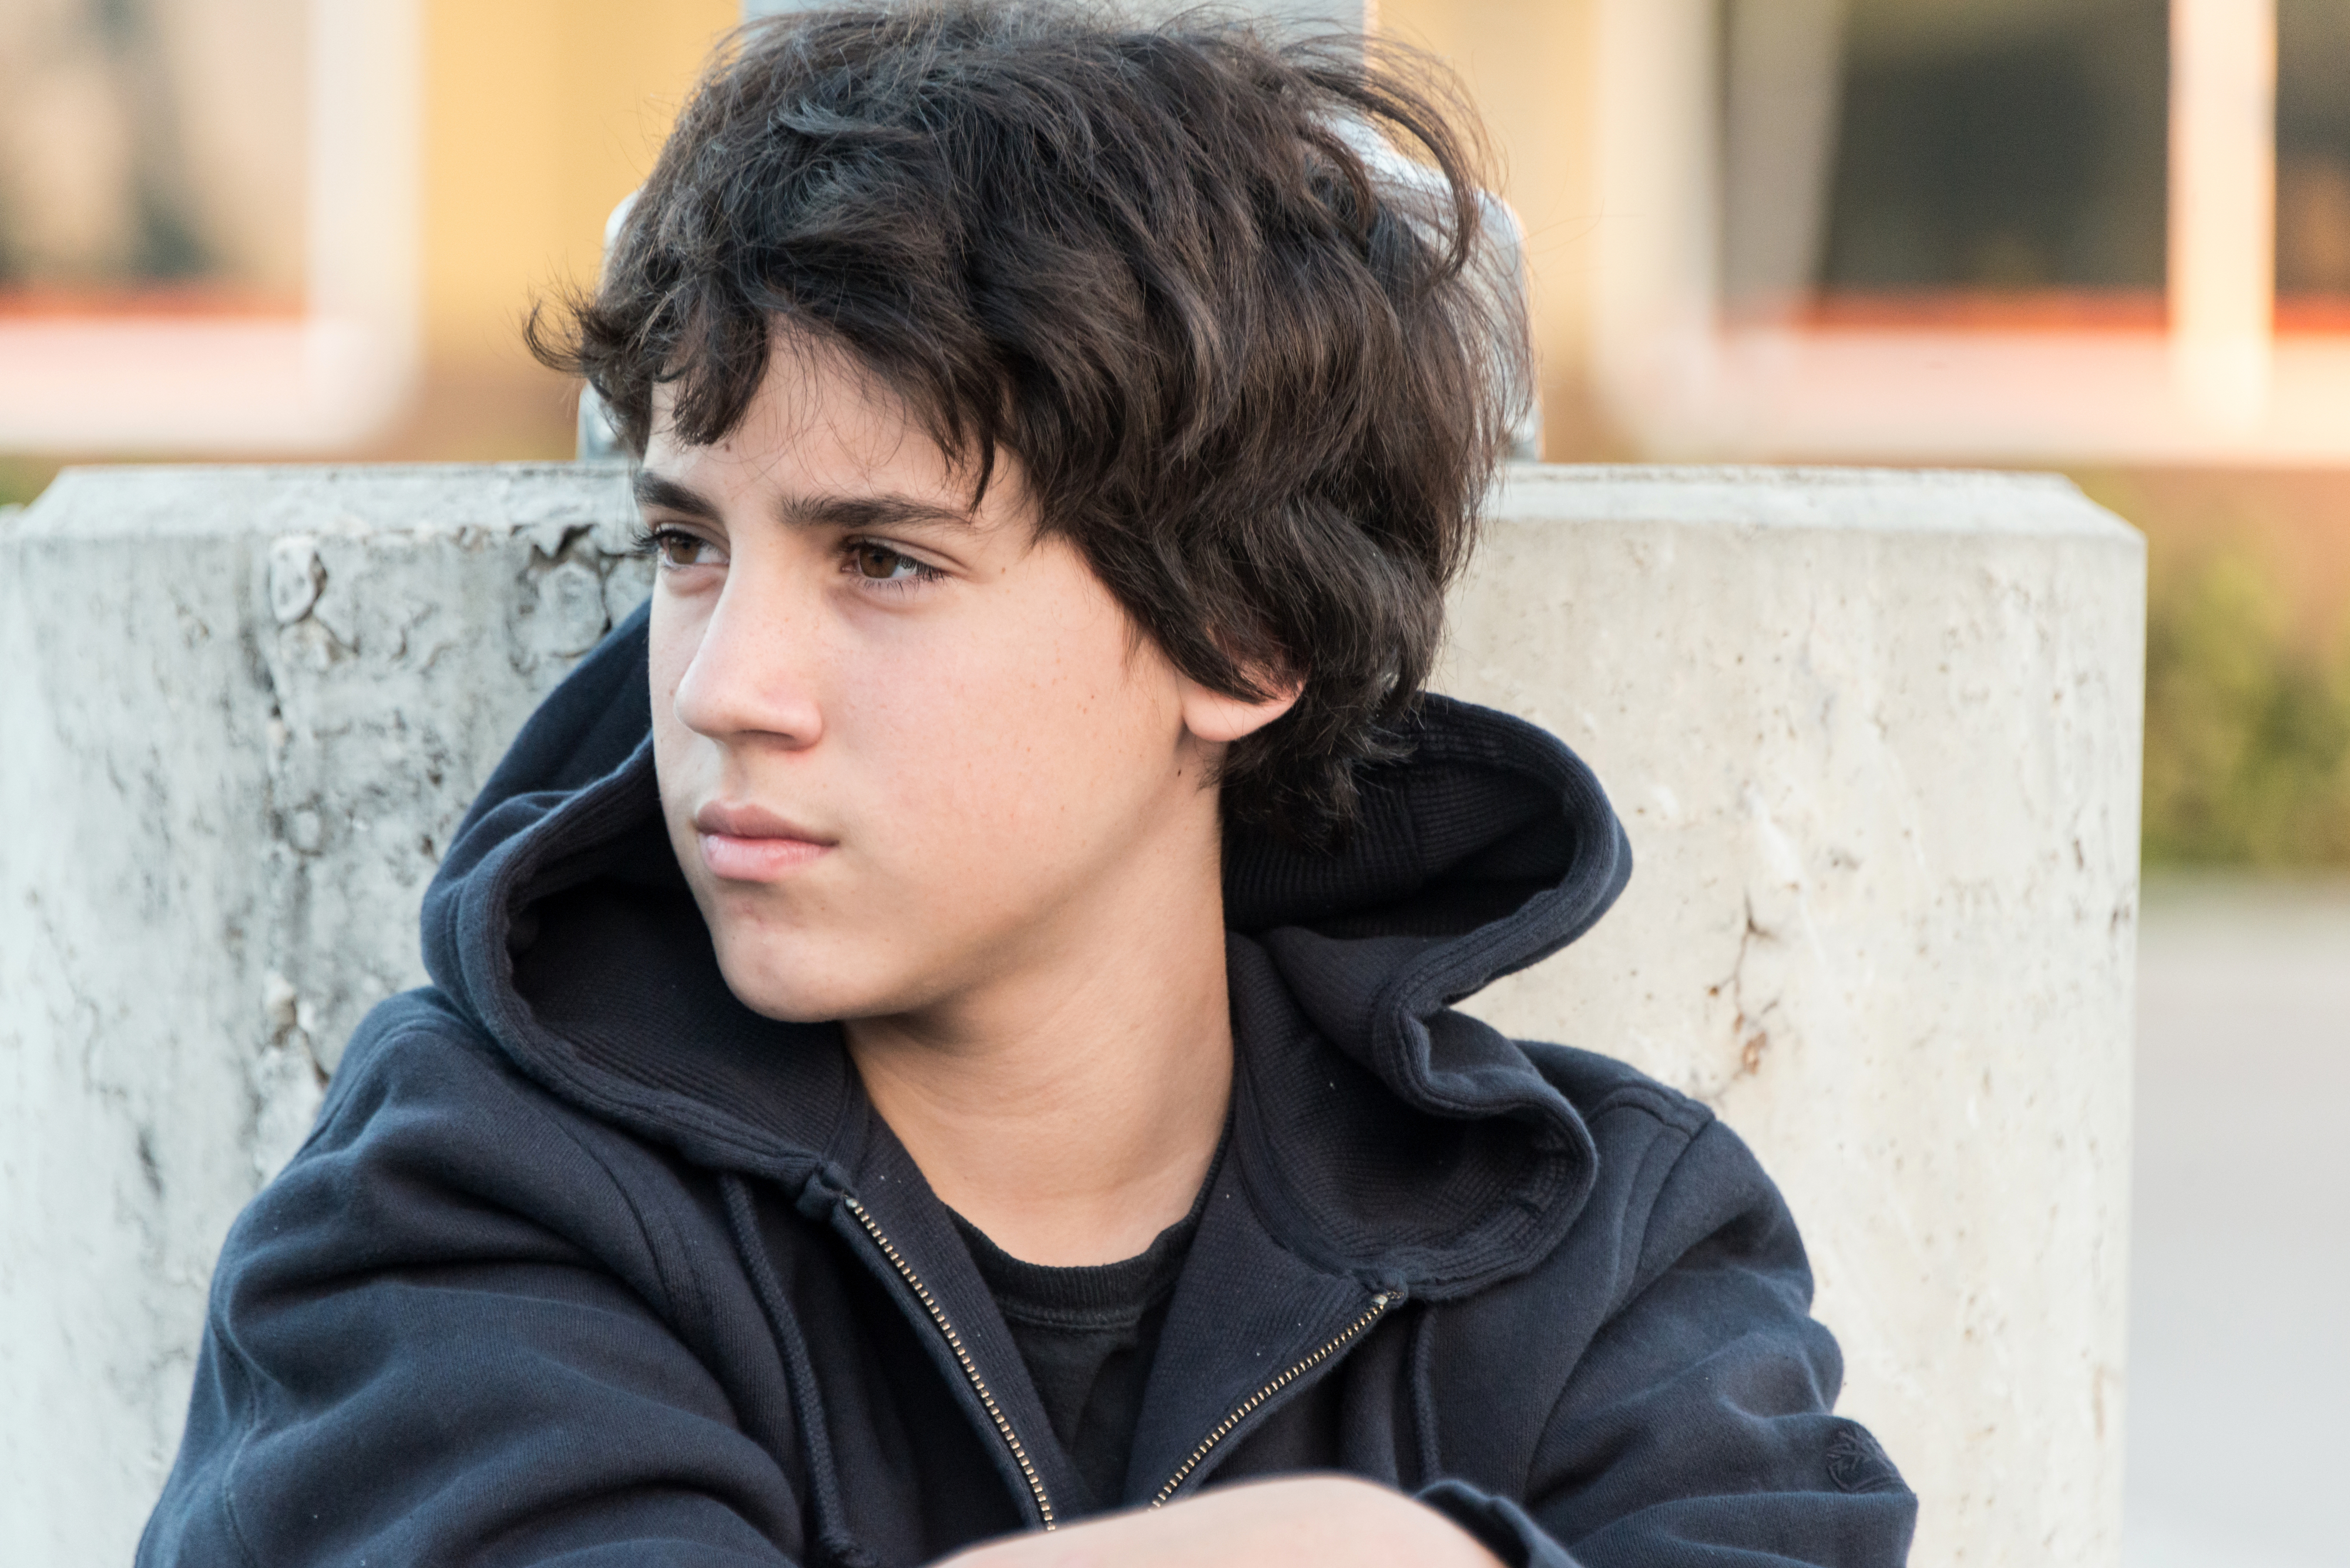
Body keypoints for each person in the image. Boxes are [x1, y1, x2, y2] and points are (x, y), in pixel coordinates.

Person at [139, 5, 1915, 1565]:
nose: (726, 688)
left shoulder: (1597, 1254)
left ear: (1241, 637)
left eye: (884, 561)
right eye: (688, 545)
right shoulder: (455, 1204)